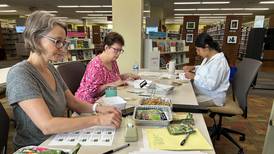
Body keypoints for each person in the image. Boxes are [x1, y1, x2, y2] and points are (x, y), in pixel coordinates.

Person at [6, 11, 122, 150]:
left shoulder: (50, 68)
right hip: (38, 147)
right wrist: (98, 119)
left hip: (58, 138)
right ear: (36, 39)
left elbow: (72, 101)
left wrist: (99, 108)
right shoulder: (20, 74)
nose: (63, 48)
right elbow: (47, 125)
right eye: (57, 42)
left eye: (63, 42)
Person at [75, 32, 140, 103]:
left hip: (106, 97)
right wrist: (114, 84)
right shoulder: (96, 65)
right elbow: (91, 92)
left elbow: (112, 78)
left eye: (120, 50)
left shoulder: (113, 61)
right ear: (106, 48)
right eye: (116, 50)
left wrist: (125, 76)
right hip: (87, 102)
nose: (118, 54)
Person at [183, 33, 230, 107]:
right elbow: (206, 69)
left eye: (198, 50)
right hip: (203, 93)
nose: (197, 53)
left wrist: (194, 76)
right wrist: (194, 67)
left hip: (213, 97)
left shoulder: (219, 62)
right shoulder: (208, 57)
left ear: (206, 47)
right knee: (182, 93)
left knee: (184, 102)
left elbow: (211, 85)